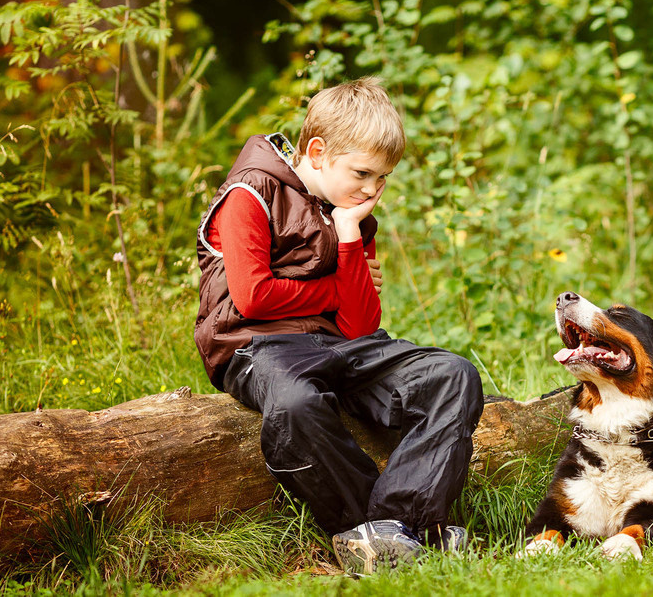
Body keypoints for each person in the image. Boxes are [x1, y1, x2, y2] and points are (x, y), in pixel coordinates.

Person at [194, 77, 484, 575]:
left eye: (384, 178)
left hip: (337, 345)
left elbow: (359, 324)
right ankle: (373, 530)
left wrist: (349, 237)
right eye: (363, 173)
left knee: (453, 374)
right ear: (319, 150)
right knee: (295, 404)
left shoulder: (351, 212)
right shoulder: (250, 193)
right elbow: (254, 297)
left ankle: (394, 529)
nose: (373, 190)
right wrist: (335, 288)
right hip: (257, 347)